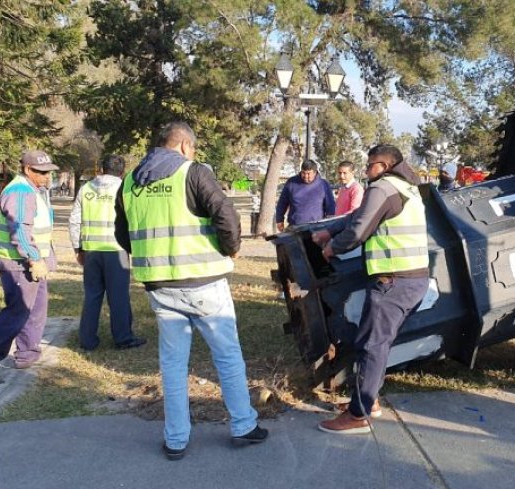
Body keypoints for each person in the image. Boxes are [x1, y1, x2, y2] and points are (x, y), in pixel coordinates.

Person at [114, 121, 267, 460]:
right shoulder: (192, 173)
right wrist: (231, 248)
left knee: (172, 364)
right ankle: (243, 425)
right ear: (184, 146)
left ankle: (176, 439)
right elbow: (225, 213)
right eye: (193, 149)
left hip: (159, 286)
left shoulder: (130, 183)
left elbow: (123, 235)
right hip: (204, 282)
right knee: (227, 356)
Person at [312, 144, 430, 434]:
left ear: (384, 165)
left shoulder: (383, 188)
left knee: (371, 345)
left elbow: (359, 228)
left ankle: (358, 415)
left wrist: (331, 247)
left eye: (370, 165)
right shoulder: (407, 188)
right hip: (411, 279)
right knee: (378, 343)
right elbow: (359, 216)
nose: (366, 171)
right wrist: (331, 229)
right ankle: (368, 401)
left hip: (393, 281)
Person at [0, 150, 59, 384]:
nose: (47, 176)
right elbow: (20, 229)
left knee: (35, 311)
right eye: (42, 172)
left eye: (49, 171)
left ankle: (27, 354)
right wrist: (33, 259)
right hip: (19, 265)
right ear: (28, 170)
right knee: (17, 314)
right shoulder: (20, 192)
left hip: (32, 264)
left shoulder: (33, 190)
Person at [68, 154, 145, 351]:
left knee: (92, 295)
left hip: (92, 250)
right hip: (116, 250)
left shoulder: (86, 189)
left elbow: (75, 220)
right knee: (118, 296)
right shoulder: (125, 188)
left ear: (101, 169)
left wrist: (78, 248)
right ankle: (123, 338)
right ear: (122, 172)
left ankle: (87, 340)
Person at [275, 159, 335, 231]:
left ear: (315, 172)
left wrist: (330, 223)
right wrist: (279, 219)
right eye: (303, 173)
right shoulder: (291, 183)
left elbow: (330, 205)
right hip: (295, 226)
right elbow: (282, 202)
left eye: (309, 173)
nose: (306, 176)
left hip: (317, 227)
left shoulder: (323, 184)